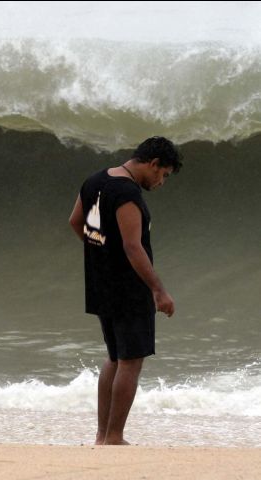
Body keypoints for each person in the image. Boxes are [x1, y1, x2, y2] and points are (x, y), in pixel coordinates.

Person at [68, 137, 183, 445]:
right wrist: (159, 290)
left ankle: (102, 435)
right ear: (153, 164)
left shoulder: (96, 180)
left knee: (115, 357)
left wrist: (101, 252)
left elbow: (76, 222)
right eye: (164, 174)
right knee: (131, 360)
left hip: (101, 283)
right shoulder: (127, 193)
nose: (161, 181)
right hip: (129, 287)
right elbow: (133, 247)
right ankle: (115, 436)